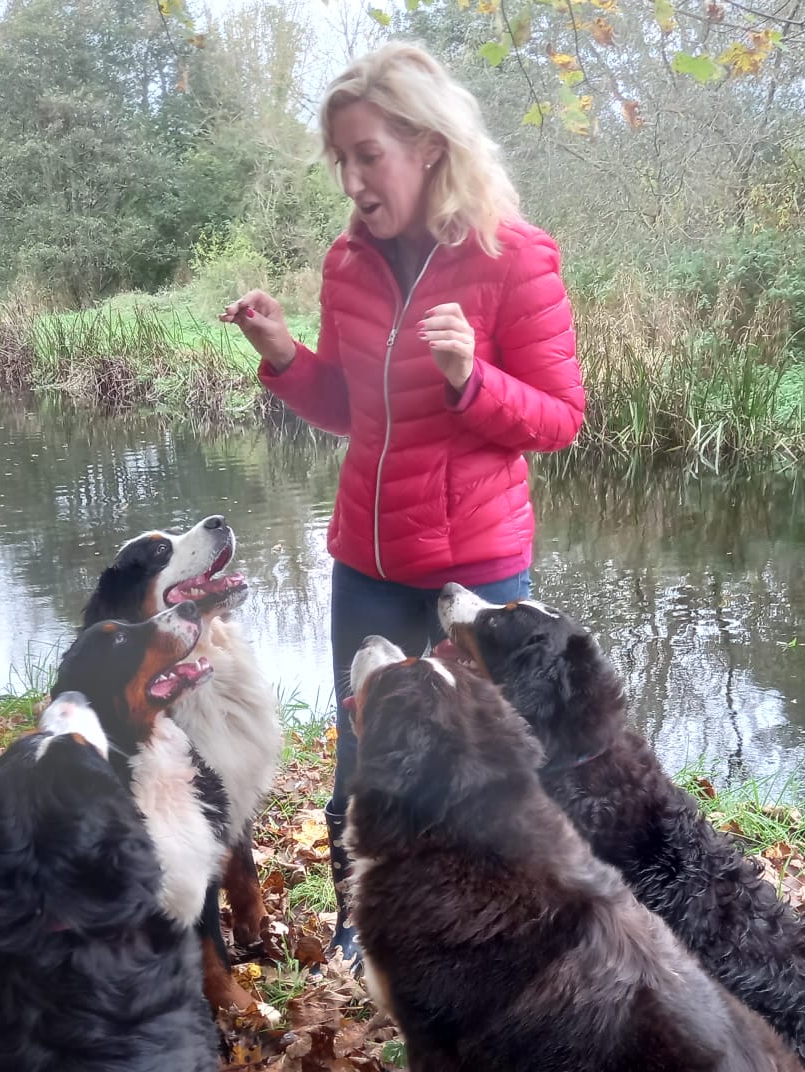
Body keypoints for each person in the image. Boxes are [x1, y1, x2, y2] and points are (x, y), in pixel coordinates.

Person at [222, 42, 585, 967]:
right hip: (367, 563)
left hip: (478, 569)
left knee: (483, 766)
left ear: (428, 146)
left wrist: (472, 378)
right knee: (362, 761)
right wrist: (281, 355)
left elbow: (559, 420)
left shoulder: (516, 258)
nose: (351, 179)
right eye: (340, 160)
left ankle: (483, 931)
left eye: (367, 154)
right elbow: (349, 408)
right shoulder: (347, 264)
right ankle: (362, 925)